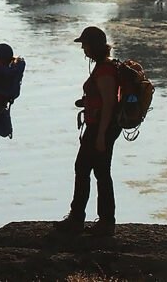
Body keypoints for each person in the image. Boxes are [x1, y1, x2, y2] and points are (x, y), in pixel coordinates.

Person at [54, 26, 121, 237]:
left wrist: (101, 135)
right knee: (96, 171)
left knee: (87, 168)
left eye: (85, 44)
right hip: (99, 125)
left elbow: (110, 103)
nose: (83, 48)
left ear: (93, 46)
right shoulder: (104, 67)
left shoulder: (105, 70)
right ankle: (101, 220)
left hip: (101, 127)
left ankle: (83, 219)